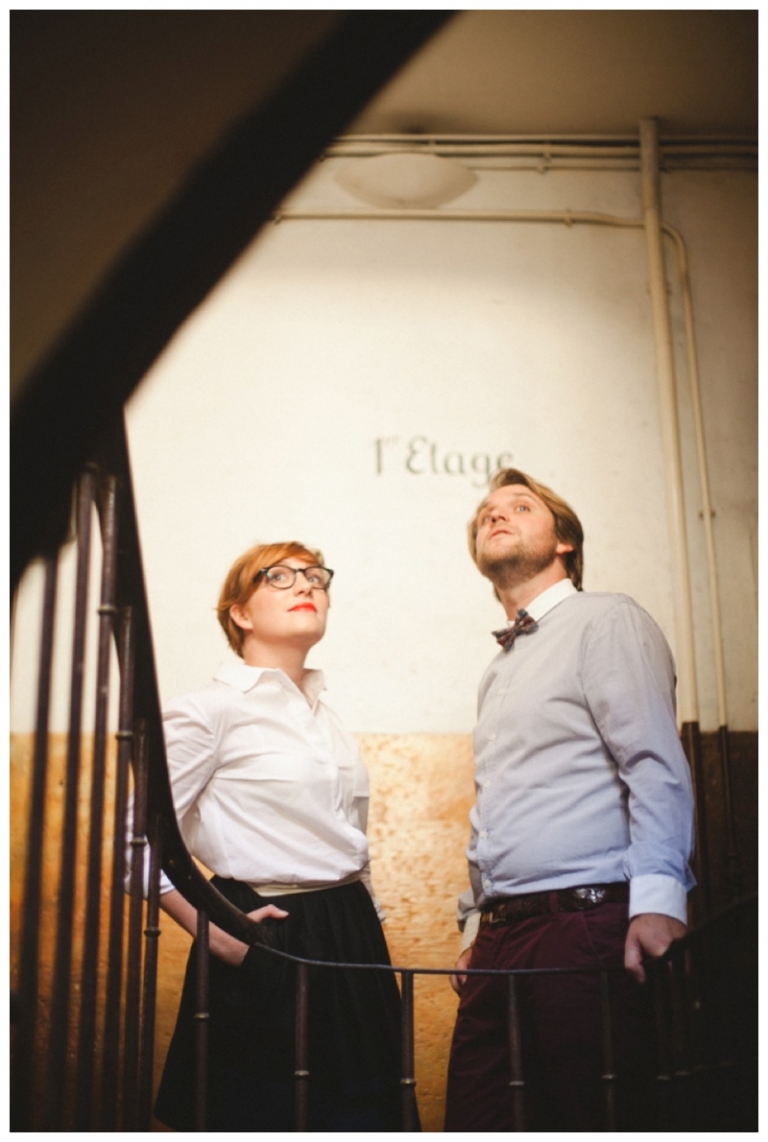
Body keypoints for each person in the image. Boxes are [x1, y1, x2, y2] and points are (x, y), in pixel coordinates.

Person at [444, 469, 695, 1132]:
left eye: (520, 507)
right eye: (486, 514)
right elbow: (498, 801)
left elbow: (652, 763)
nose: (495, 516)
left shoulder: (606, 619)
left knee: (590, 1120)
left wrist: (660, 902)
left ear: (565, 543)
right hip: (499, 940)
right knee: (476, 1120)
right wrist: (476, 929)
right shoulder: (497, 669)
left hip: (586, 928)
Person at [151, 542, 408, 1132]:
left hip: (351, 932)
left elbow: (347, 837)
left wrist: (365, 923)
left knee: (364, 1117)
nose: (307, 585)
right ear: (239, 612)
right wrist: (214, 930)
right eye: (281, 576)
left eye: (316, 576)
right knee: (268, 1115)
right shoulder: (208, 711)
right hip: (262, 930)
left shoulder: (326, 714)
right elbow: (131, 842)